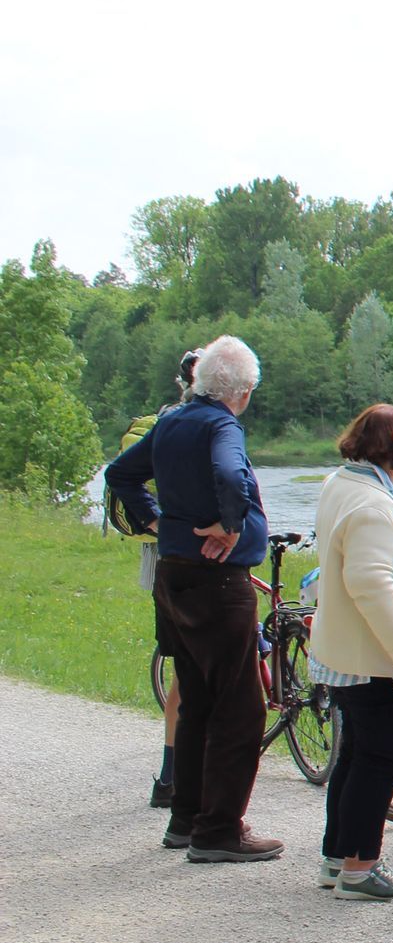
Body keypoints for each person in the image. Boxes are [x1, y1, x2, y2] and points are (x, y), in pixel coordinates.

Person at [103, 335, 281, 863]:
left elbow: (120, 474)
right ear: (242, 391)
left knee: (199, 698)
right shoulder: (221, 424)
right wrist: (230, 523)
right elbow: (229, 473)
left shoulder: (173, 420)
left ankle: (186, 818)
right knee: (241, 707)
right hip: (217, 580)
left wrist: (155, 520)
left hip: (173, 572)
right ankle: (219, 830)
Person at [308, 405, 393, 900]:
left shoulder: (339, 484)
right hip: (377, 659)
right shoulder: (373, 506)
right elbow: (370, 582)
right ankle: (361, 868)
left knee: (356, 756)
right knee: (382, 759)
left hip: (347, 654)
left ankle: (337, 858)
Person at [107, 347, 199, 809]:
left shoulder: (172, 418)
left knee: (186, 665)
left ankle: (172, 776)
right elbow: (124, 475)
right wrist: (161, 522)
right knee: (190, 667)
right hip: (178, 556)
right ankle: (176, 777)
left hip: (163, 552)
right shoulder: (185, 423)